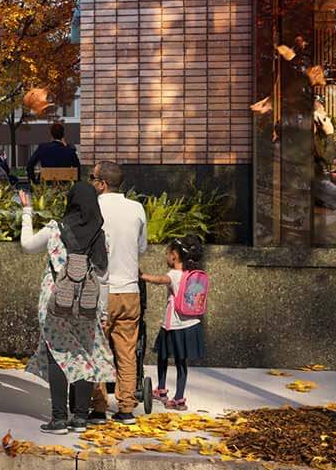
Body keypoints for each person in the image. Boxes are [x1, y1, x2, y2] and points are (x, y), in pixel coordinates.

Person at [16, 182, 115, 434]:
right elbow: (103, 274)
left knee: (57, 355)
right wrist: (102, 311)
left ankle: (59, 419)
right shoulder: (99, 233)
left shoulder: (55, 229)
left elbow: (27, 245)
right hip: (87, 302)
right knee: (86, 353)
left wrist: (27, 211)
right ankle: (80, 418)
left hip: (56, 300)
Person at [88, 161, 148, 422]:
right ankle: (126, 408)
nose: (91, 182)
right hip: (130, 291)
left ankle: (99, 407)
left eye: (92, 178)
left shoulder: (92, 208)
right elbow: (141, 248)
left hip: (100, 291)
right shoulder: (137, 208)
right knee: (127, 351)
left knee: (96, 350)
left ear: (101, 184)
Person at [144, 237, 204, 412]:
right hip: (191, 322)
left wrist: (142, 276)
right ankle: (179, 398)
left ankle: (162, 390)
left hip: (173, 324)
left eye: (168, 253)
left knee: (162, 356)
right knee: (181, 362)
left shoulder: (174, 275)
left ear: (175, 256)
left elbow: (160, 279)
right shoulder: (193, 274)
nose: (166, 256)